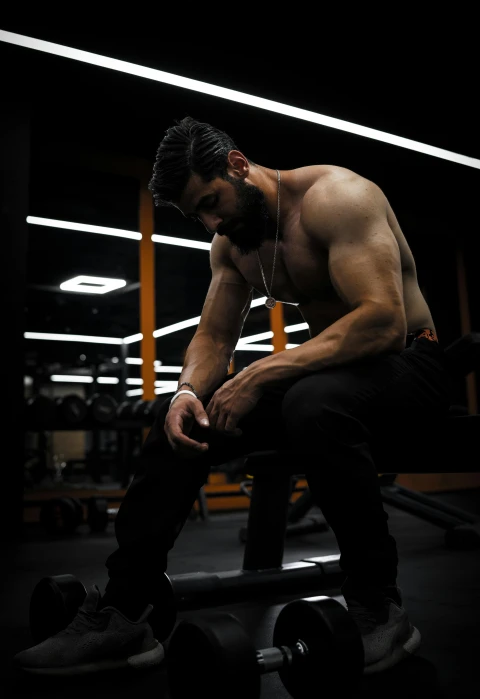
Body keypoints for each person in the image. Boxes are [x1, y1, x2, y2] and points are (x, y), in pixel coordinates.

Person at [14, 117, 451, 677]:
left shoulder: (337, 197)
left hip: (410, 363)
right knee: (178, 419)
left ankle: (378, 605)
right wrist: (186, 394)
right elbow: (215, 335)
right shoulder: (233, 243)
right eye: (197, 214)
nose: (211, 222)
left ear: (238, 165)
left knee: (311, 402)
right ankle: (127, 610)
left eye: (212, 201)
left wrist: (260, 374)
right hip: (334, 375)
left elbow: (383, 322)